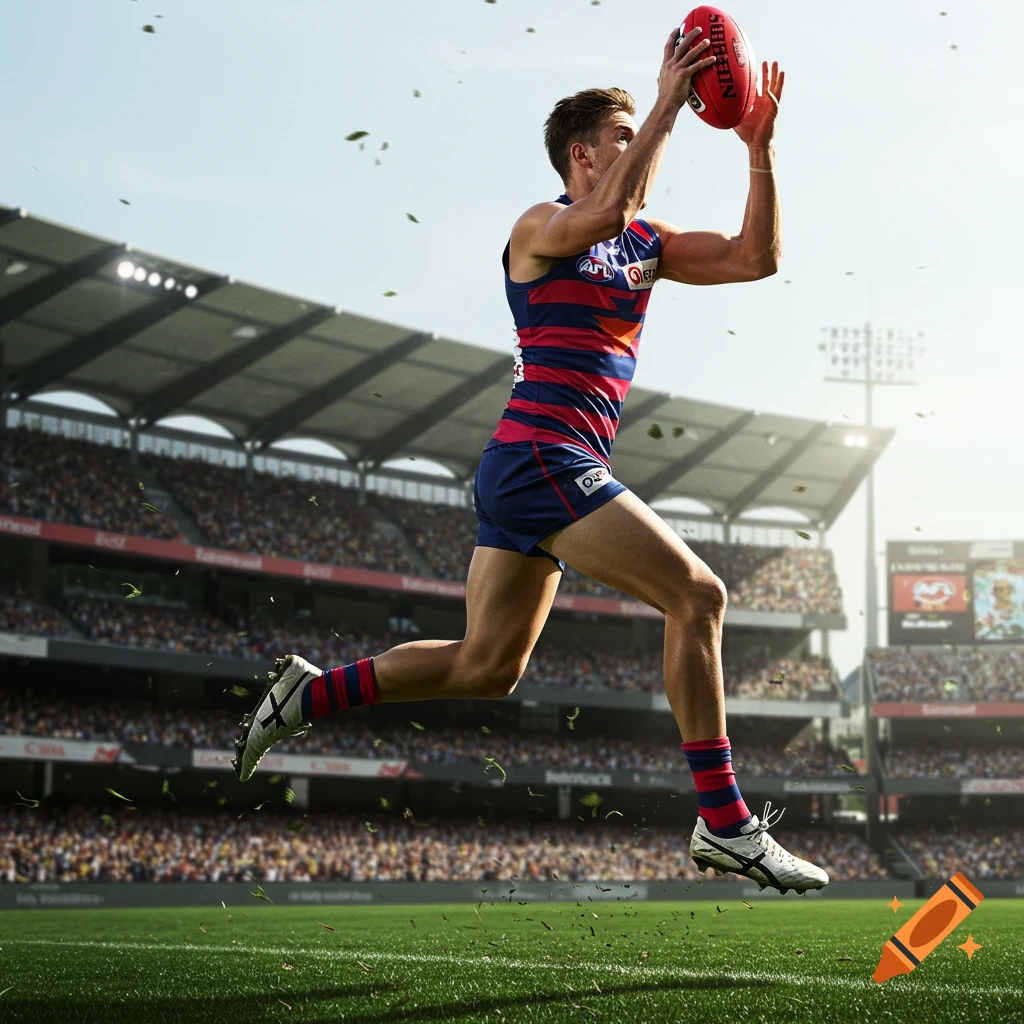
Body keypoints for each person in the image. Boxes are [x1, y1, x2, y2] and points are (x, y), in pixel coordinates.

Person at [234, 25, 827, 896]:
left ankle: (307, 696)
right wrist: (665, 98)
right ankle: (727, 824)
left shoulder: (645, 244)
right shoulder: (543, 224)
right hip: (543, 456)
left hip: (538, 470)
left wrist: (759, 151)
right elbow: (606, 214)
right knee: (698, 594)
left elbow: (755, 258)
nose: (654, 140)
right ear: (582, 155)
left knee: (487, 667)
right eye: (627, 136)